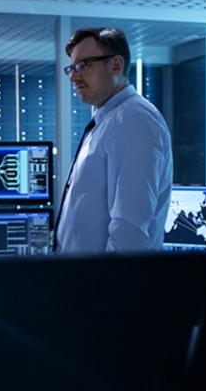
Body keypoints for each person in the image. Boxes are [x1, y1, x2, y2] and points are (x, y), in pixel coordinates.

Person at [54, 27, 173, 254]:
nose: (74, 76)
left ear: (116, 65)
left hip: (106, 284)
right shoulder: (107, 121)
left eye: (83, 65)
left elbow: (130, 227)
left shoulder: (133, 119)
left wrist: (108, 286)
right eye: (71, 68)